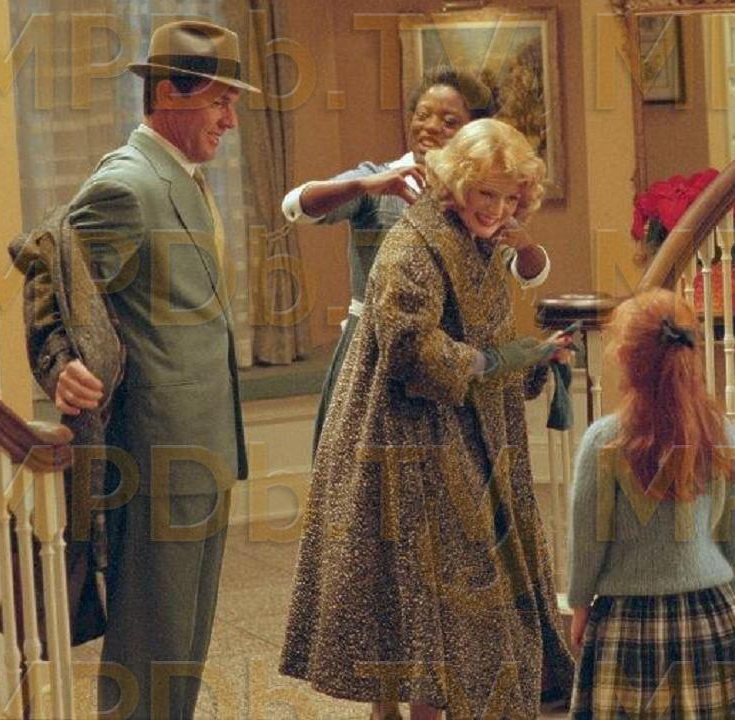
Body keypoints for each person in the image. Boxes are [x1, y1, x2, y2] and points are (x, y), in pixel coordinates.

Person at [280, 118, 575, 719]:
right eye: (485, 193)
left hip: (464, 433)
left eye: (509, 197)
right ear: (458, 184)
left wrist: (528, 358)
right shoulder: (412, 244)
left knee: (452, 605)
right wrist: (499, 361)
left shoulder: (479, 242)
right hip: (404, 435)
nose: (496, 209)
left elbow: (484, 334)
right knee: (420, 604)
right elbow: (411, 348)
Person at [55, 20, 257, 719]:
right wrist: (59, 362)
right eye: (220, 102)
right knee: (150, 646)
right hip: (156, 454)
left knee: (183, 644)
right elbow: (52, 277)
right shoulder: (127, 184)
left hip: (203, 446)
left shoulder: (184, 179)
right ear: (169, 92)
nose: (230, 120)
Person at [281, 66, 551, 450]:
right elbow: (297, 206)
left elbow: (527, 273)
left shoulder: (481, 200)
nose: (430, 127)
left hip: (451, 361)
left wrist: (524, 245)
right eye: (422, 114)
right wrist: (364, 184)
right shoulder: (379, 179)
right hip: (377, 351)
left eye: (449, 120)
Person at [566, 289, 735, 719]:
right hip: (708, 611)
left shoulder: (604, 441)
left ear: (625, 358)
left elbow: (588, 540)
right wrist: (725, 594)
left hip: (626, 621)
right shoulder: (722, 434)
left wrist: (580, 603)